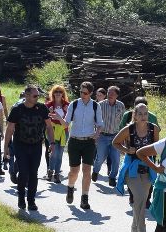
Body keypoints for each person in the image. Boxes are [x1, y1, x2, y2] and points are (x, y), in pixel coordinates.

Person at [3, 84, 53, 210]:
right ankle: (21, 198)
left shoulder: (42, 108)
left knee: (33, 173)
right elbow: (9, 129)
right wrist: (6, 148)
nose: (37, 98)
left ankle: (31, 201)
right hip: (20, 145)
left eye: (38, 95)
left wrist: (51, 143)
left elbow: (49, 126)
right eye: (35, 95)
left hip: (36, 145)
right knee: (23, 173)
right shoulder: (17, 109)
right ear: (26, 95)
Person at [114, 104, 156, 232]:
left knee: (141, 201)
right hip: (132, 169)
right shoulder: (129, 129)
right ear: (135, 116)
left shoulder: (153, 128)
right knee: (138, 199)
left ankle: (134, 229)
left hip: (148, 169)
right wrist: (127, 150)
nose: (143, 117)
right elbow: (115, 143)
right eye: (140, 114)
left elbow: (157, 147)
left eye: (145, 114)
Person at [64, 81, 103, 210]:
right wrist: (59, 118)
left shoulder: (96, 106)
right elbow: (66, 123)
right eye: (80, 92)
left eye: (85, 93)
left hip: (88, 142)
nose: (82, 94)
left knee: (87, 171)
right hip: (74, 141)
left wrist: (97, 134)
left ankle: (84, 198)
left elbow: (100, 124)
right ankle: (70, 187)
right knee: (74, 172)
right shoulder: (74, 104)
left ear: (91, 93)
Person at [93, 86, 125, 187]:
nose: (110, 95)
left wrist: (122, 137)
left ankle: (112, 177)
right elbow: (95, 120)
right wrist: (95, 134)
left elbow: (122, 122)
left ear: (117, 95)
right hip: (102, 136)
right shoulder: (100, 105)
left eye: (112, 93)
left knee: (116, 159)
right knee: (100, 157)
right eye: (109, 93)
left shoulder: (121, 106)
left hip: (115, 136)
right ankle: (95, 171)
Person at [45, 85, 70, 183]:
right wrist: (49, 113)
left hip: (64, 131)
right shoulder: (48, 105)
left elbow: (70, 119)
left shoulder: (67, 105)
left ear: (63, 93)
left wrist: (67, 111)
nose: (58, 93)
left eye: (60, 91)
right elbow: (45, 118)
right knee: (54, 153)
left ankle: (57, 174)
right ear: (53, 93)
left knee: (60, 154)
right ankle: (50, 171)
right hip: (52, 130)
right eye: (56, 91)